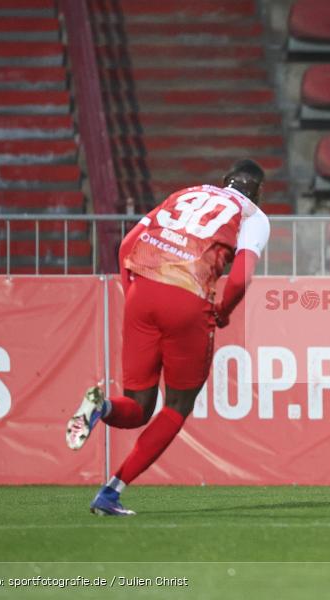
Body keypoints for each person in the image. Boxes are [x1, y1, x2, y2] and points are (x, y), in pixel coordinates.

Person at [65, 159, 270, 516]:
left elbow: (127, 245)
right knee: (176, 407)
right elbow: (239, 279)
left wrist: (132, 292)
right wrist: (222, 312)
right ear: (257, 192)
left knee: (137, 407)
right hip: (188, 301)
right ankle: (110, 493)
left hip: (142, 293)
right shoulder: (253, 215)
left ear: (223, 180)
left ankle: (102, 407)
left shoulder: (185, 193)